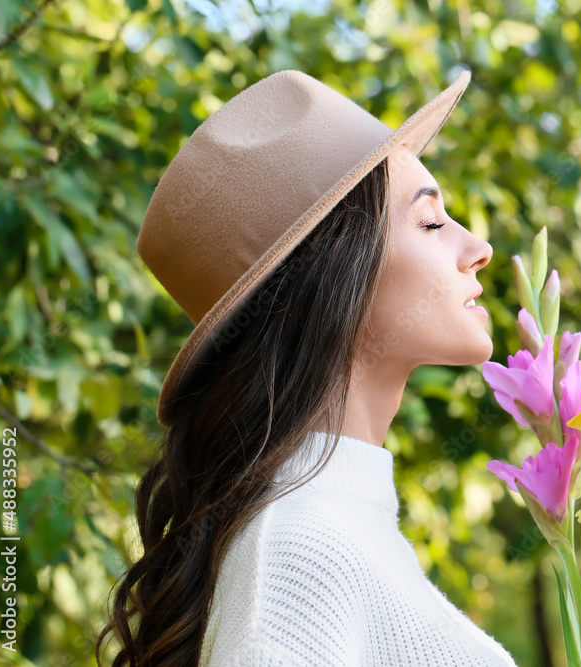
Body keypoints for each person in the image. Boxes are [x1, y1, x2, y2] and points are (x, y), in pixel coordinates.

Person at [97, 67, 518, 666]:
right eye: (430, 221)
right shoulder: (301, 557)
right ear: (336, 276)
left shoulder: (336, 530)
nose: (479, 248)